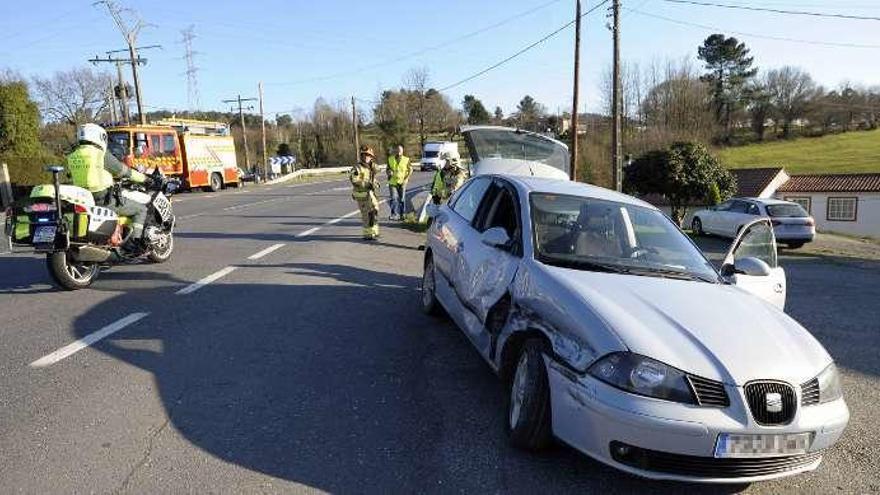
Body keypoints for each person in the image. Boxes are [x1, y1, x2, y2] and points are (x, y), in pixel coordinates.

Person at [66, 123, 149, 244]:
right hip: (103, 198)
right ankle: (136, 242)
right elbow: (123, 171)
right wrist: (145, 179)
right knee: (141, 209)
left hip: (83, 199)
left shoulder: (72, 155)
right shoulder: (101, 154)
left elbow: (71, 175)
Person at [349, 145, 381, 240]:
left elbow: (373, 176)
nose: (367, 157)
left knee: (374, 211)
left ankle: (374, 231)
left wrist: (376, 183)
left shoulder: (370, 167)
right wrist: (366, 184)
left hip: (371, 194)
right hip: (362, 194)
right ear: (362, 156)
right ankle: (367, 234)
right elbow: (354, 180)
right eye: (365, 155)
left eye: (369, 155)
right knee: (367, 214)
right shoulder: (357, 168)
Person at [386, 144, 412, 220]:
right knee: (393, 198)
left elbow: (411, 169)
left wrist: (407, 178)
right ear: (395, 150)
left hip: (402, 182)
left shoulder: (406, 159)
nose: (398, 151)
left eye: (400, 150)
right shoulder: (390, 159)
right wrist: (389, 172)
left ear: (402, 151)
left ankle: (402, 214)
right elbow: (387, 169)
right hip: (392, 182)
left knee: (402, 199)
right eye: (397, 150)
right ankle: (394, 214)